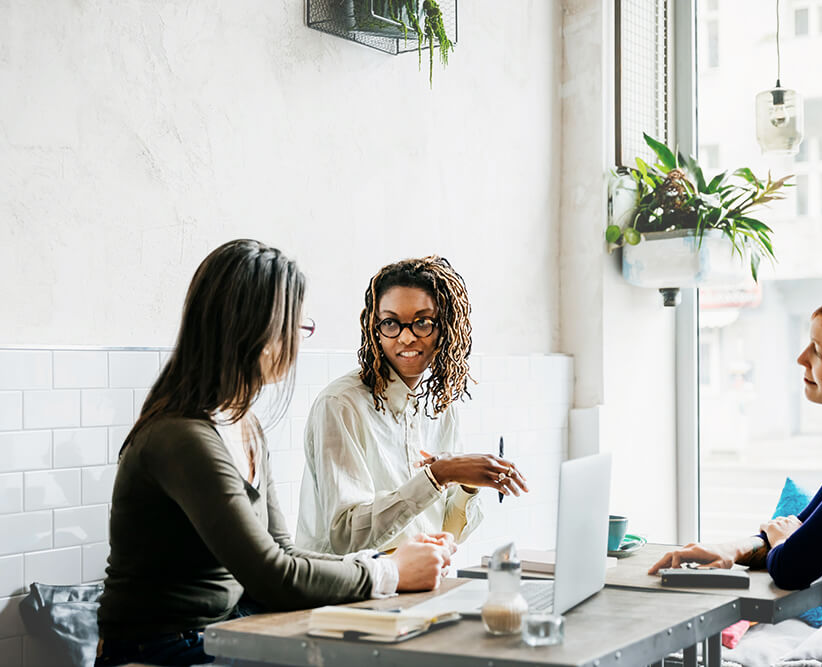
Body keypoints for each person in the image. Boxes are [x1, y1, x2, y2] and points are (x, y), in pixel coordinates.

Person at [95, 241, 448, 667]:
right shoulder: (182, 437)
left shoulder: (244, 425)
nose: (300, 343)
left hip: (225, 632)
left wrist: (386, 561)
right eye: (296, 327)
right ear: (254, 330)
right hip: (160, 651)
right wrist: (388, 573)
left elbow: (283, 550)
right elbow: (270, 575)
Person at [649, 291, 822, 621]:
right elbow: (805, 529)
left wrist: (786, 541)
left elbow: (794, 566)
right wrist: (730, 549)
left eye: (820, 353)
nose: (801, 358)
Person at [297, 256, 529, 555]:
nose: (406, 337)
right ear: (375, 329)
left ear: (444, 328)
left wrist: (467, 485)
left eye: (422, 322)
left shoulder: (440, 406)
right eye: (391, 323)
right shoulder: (341, 405)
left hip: (419, 589)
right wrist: (438, 476)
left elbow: (447, 534)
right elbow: (347, 535)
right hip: (347, 595)